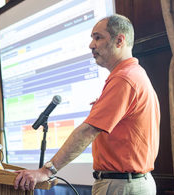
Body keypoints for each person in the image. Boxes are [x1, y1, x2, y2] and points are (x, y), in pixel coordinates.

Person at [14, 14, 160, 195]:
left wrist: (46, 171)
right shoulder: (132, 74)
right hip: (126, 184)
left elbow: (88, 130)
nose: (91, 45)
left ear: (119, 40)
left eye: (98, 37)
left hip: (122, 186)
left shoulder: (125, 79)